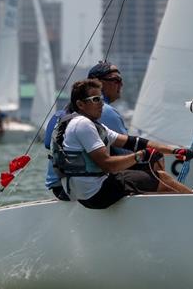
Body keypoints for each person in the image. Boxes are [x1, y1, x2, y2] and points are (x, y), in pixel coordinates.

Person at [53, 78, 193, 209]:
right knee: (163, 178)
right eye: (96, 99)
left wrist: (175, 151)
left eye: (102, 98)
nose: (102, 103)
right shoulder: (82, 124)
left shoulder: (93, 125)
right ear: (80, 104)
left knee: (154, 163)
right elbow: (107, 164)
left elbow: (136, 142)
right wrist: (140, 156)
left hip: (87, 191)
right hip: (95, 193)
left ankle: (167, 207)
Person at [45, 61, 130, 200]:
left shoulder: (63, 113)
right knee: (150, 167)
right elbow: (126, 151)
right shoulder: (106, 111)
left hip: (59, 186)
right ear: (97, 82)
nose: (121, 84)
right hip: (81, 188)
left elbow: (48, 144)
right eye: (116, 79)